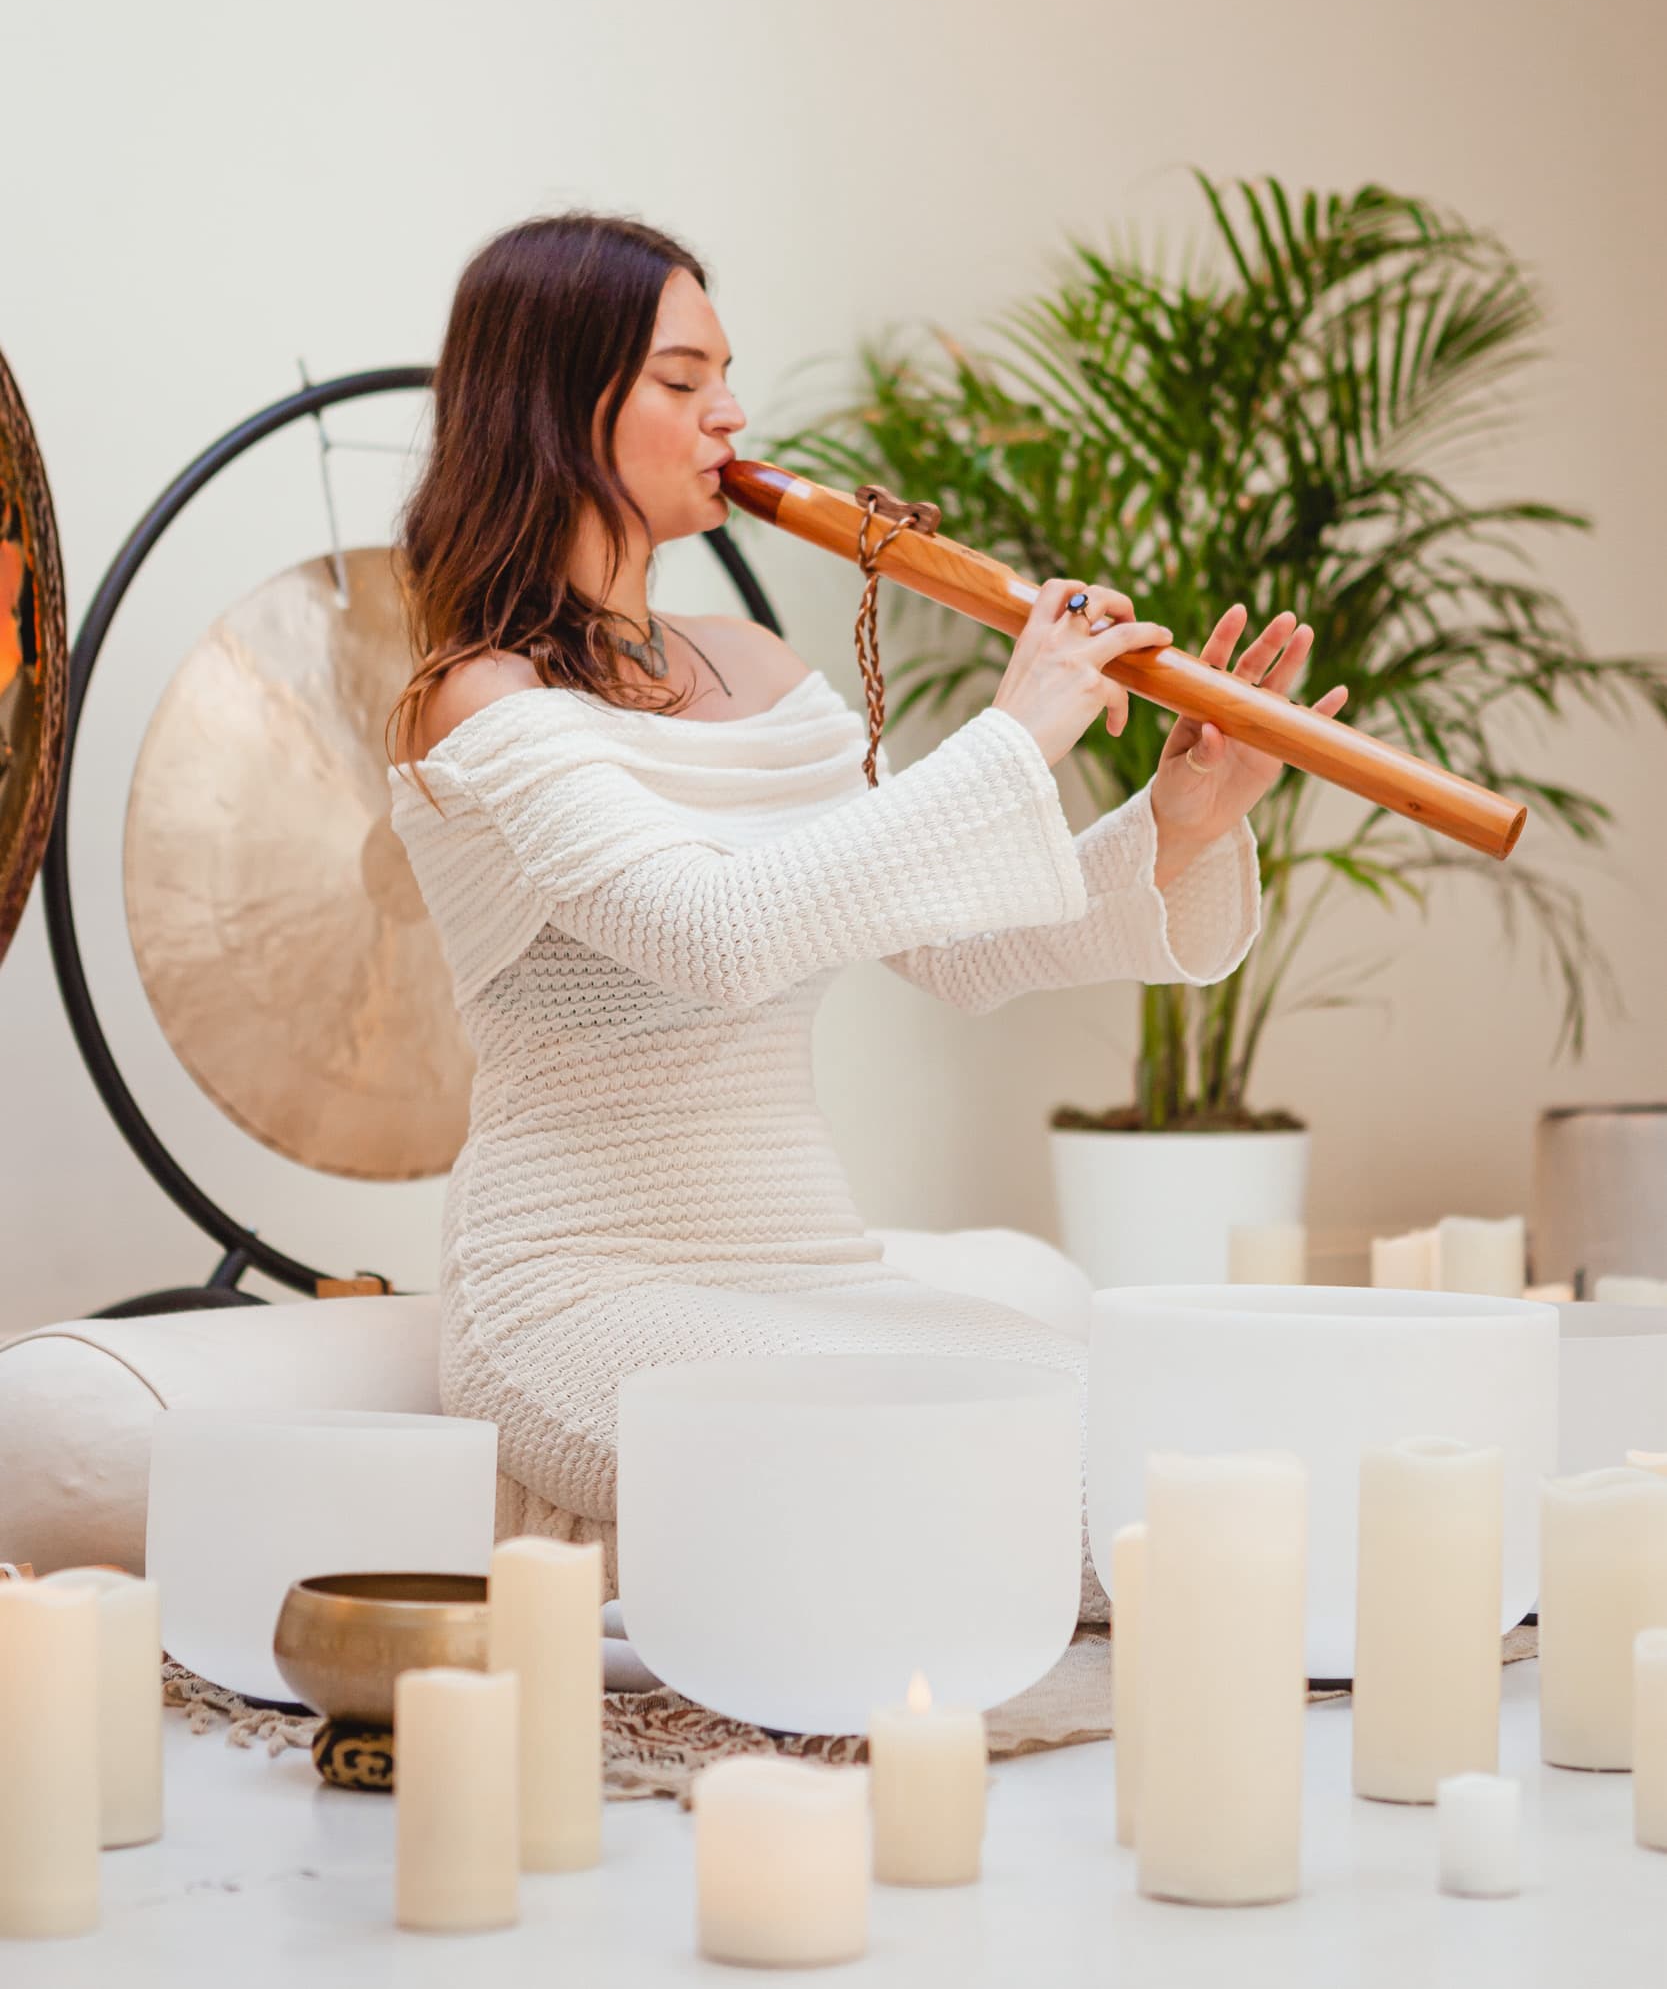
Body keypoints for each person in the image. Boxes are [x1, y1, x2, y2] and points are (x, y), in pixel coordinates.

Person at [386, 212, 1347, 1615]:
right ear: (551, 403)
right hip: (579, 1293)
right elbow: (715, 935)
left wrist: (1183, 817)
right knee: (1014, 1491)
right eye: (678, 379)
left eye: (727, 372)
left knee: (1155, 1453)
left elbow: (958, 942)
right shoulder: (482, 703)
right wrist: (1016, 731)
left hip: (809, 1272)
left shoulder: (757, 664)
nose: (731, 413)